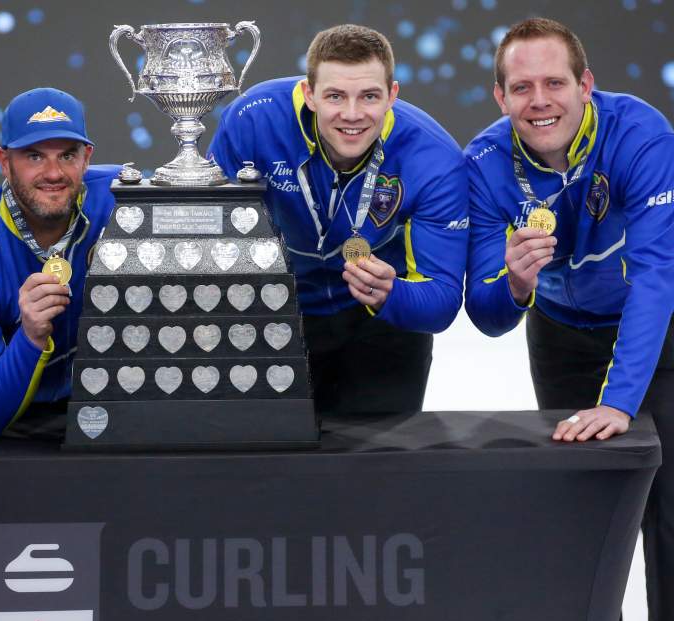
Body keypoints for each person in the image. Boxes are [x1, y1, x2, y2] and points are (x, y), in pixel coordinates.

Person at [464, 17, 674, 621]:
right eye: (521, 86)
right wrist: (512, 282)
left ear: (586, 86)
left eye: (554, 82)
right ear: (500, 94)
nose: (539, 100)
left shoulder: (641, 136)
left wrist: (617, 402)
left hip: (671, 316)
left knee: (664, 494)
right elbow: (483, 318)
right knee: (580, 503)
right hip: (565, 324)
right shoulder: (482, 161)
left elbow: (655, 282)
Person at [209, 24, 518, 414]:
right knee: (271, 467)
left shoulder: (434, 159)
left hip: (382, 325)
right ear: (309, 94)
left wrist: (392, 293)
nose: (352, 115)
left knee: (379, 471)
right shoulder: (253, 120)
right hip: (274, 315)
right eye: (335, 96)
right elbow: (211, 241)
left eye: (369, 96)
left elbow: (440, 304)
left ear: (392, 95)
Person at [0, 88, 119, 437]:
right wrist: (31, 336)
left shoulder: (122, 198)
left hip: (113, 407)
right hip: (22, 427)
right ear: (5, 162)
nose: (54, 173)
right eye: (34, 157)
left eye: (67, 155)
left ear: (87, 157)